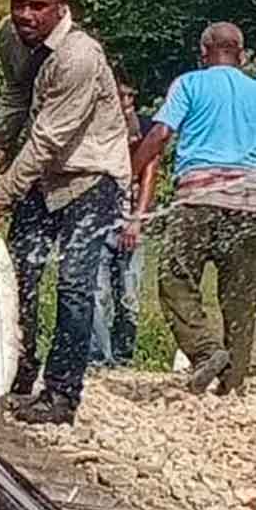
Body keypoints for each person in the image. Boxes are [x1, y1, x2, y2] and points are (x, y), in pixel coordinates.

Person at [0, 0, 131, 425]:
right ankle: (15, 374)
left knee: (75, 284)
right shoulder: (10, 37)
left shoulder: (80, 57)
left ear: (61, 5)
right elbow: (15, 97)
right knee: (17, 274)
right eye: (19, 3)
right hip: (43, 176)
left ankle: (61, 394)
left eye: (38, 6)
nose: (26, 16)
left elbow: (48, 138)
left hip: (91, 175)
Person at [131, 21, 256, 396]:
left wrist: (130, 173)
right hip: (249, 203)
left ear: (203, 54)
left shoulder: (189, 84)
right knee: (241, 295)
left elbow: (160, 134)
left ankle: (205, 353)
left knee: (174, 279)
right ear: (243, 54)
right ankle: (231, 385)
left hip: (197, 202)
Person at [89, 67, 155, 368]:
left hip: (131, 219)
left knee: (129, 297)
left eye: (130, 94)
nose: (126, 99)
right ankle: (98, 357)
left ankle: (124, 355)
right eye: (121, 93)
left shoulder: (146, 128)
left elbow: (149, 175)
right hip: (101, 220)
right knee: (98, 292)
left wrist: (138, 218)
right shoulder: (99, 127)